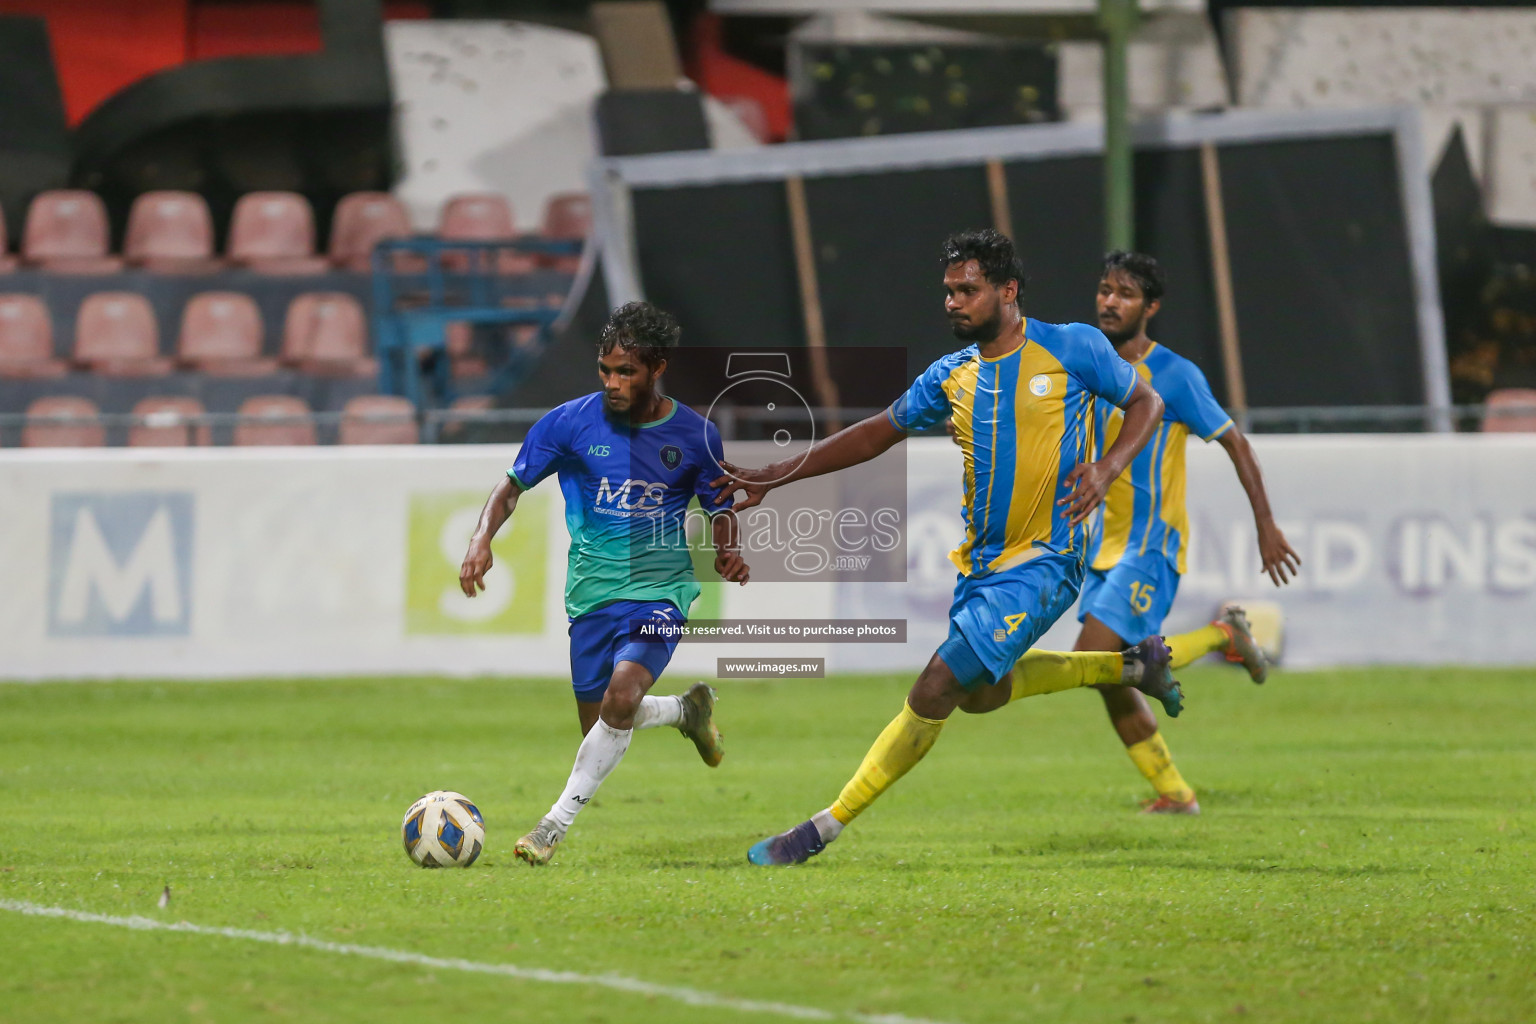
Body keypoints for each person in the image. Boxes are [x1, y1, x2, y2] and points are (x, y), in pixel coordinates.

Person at [715, 229, 1176, 867]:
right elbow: (876, 434)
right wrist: (776, 474)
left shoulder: (1072, 347)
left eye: (968, 290)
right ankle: (1129, 667)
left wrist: (1108, 468)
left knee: (935, 686)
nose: (953, 302)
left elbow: (1147, 401)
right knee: (981, 693)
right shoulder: (952, 375)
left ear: (1008, 291)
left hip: (1047, 561)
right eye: (949, 291)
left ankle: (822, 828)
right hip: (982, 569)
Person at [458, 301, 750, 866]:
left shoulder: (697, 434)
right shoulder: (570, 422)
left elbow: (721, 505)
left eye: (627, 371)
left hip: (660, 592)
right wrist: (480, 538)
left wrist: (729, 551)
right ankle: (684, 712)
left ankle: (550, 828)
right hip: (590, 596)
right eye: (605, 370)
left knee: (620, 699)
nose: (614, 383)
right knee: (606, 723)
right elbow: (512, 485)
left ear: (657, 366)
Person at [1076, 250, 1300, 814]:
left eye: (1124, 294)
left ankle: (1226, 635)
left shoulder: (1173, 374)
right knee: (1107, 679)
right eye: (1105, 289)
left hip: (1152, 546)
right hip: (1105, 546)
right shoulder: (1089, 366)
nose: (1109, 301)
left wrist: (1266, 524)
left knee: (1091, 658)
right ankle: (1175, 793)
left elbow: (1236, 443)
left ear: (1149, 307)